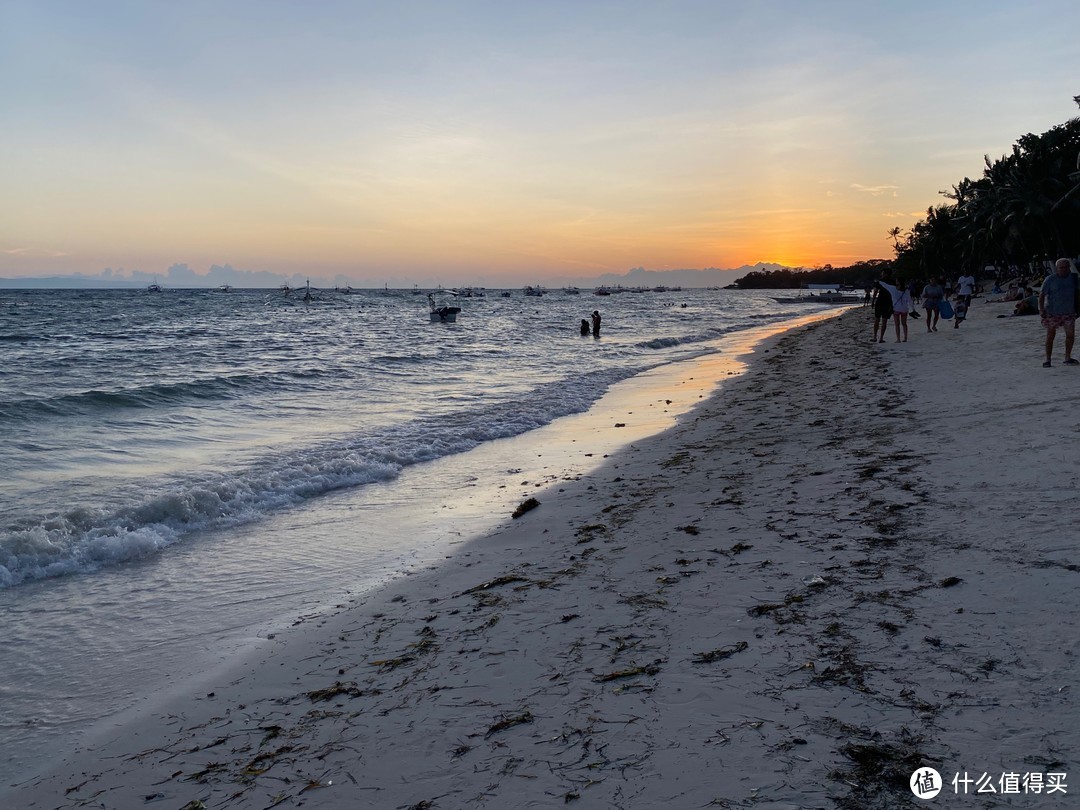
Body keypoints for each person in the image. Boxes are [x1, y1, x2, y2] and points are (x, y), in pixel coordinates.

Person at [1038, 258, 1080, 367]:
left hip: (1069, 312)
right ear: (1056, 268)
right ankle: (1048, 359)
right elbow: (1042, 295)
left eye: (1066, 267)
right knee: (1050, 335)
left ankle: (1067, 357)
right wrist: (1041, 309)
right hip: (1052, 312)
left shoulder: (1074, 279)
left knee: (1070, 335)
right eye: (1061, 267)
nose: (1064, 269)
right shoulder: (1050, 280)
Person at [871, 276, 894, 343]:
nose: (881, 274)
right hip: (888, 302)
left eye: (882, 273)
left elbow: (875, 291)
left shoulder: (880, 282)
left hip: (881, 302)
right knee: (884, 320)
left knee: (877, 320)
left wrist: (873, 301)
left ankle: (875, 337)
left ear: (885, 273)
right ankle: (881, 338)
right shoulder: (892, 282)